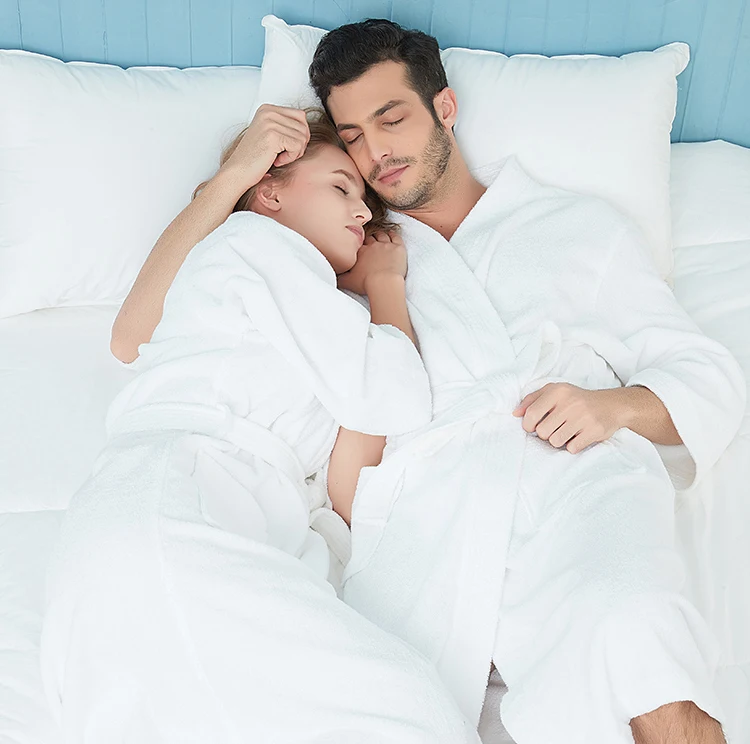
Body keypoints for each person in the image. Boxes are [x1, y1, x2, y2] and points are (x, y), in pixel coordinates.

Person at [110, 20, 746, 744]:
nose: (376, 153)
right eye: (353, 136)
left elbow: (705, 373)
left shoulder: (577, 227)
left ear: (444, 107)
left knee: (641, 641)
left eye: (392, 119)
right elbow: (144, 332)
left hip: (574, 475)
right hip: (423, 515)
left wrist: (615, 407)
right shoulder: (344, 246)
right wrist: (234, 178)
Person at [40, 110, 481, 744]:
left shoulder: (316, 317)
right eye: (340, 187)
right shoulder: (255, 244)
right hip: (173, 509)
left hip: (197, 525)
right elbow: (395, 392)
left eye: (364, 202)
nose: (362, 212)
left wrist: (373, 296)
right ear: (269, 193)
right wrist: (387, 283)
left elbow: (355, 474)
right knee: (410, 712)